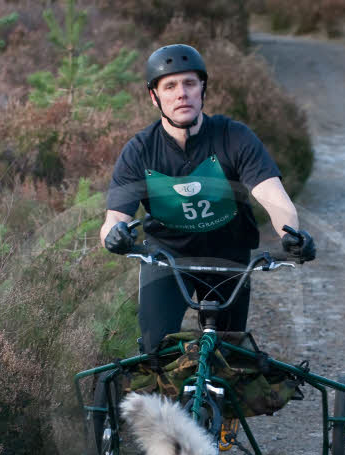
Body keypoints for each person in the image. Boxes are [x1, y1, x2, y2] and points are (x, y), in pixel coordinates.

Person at [100, 43, 315, 355]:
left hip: (228, 258)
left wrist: (290, 236)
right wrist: (114, 237)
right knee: (155, 353)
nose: (181, 93)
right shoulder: (139, 151)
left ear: (203, 88)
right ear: (154, 96)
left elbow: (272, 194)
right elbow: (113, 220)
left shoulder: (234, 137)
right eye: (170, 86)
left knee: (228, 357)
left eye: (189, 83)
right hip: (167, 259)